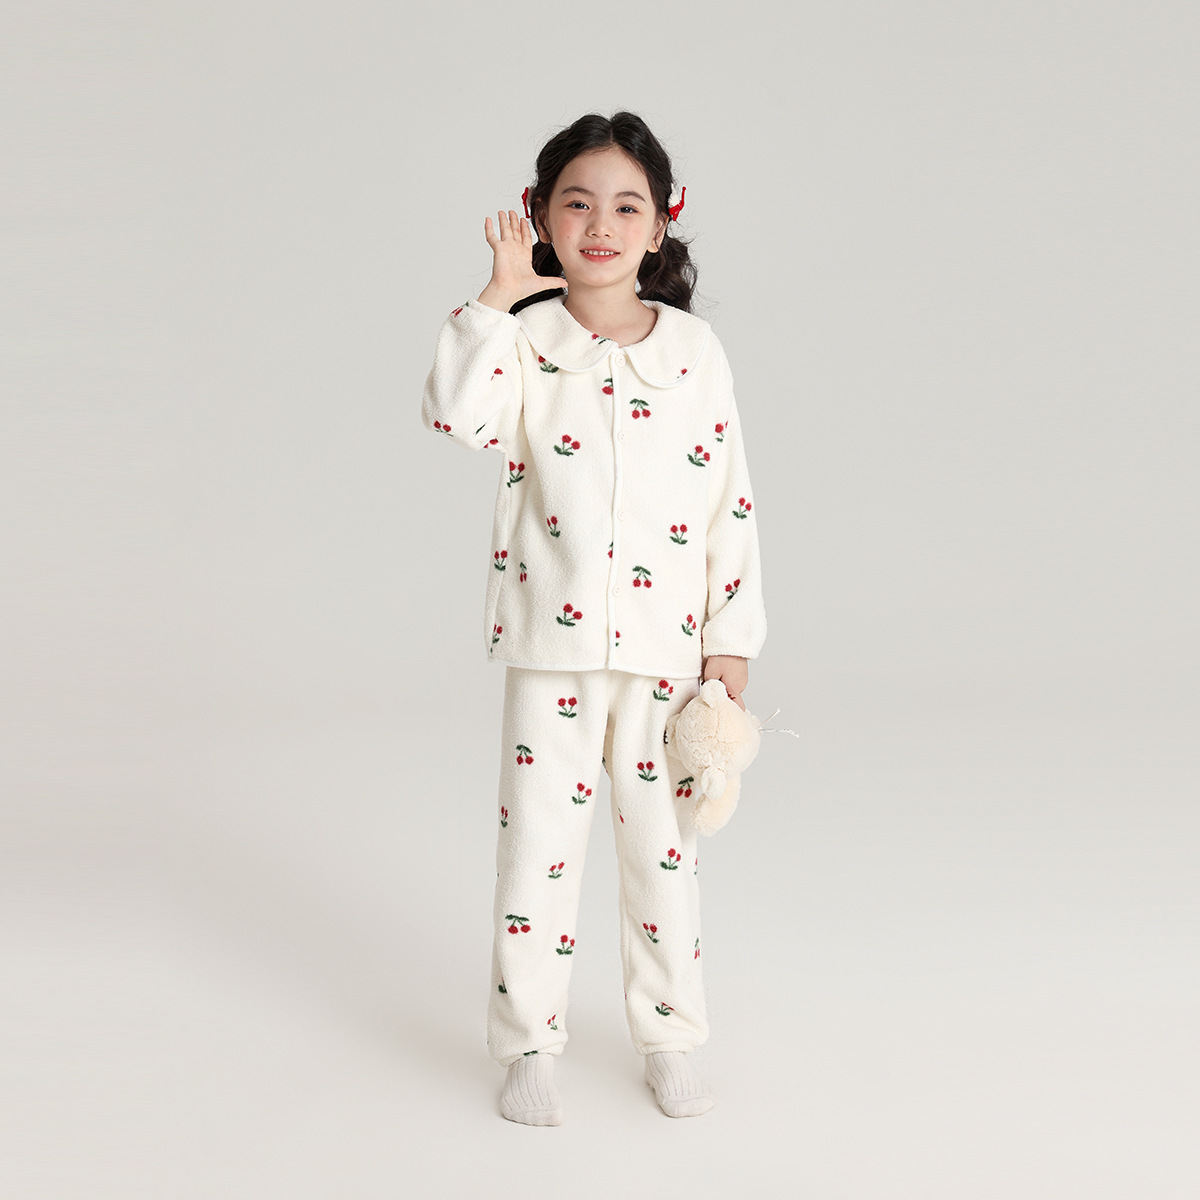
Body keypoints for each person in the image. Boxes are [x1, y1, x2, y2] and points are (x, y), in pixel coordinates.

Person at [420, 111, 767, 1125]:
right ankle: (528, 1045)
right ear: (541, 218)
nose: (602, 225)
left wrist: (731, 642)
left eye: (626, 206)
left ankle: (672, 1035)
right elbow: (454, 416)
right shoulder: (524, 339)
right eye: (578, 204)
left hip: (666, 653)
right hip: (551, 645)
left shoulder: (695, 350)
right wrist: (497, 294)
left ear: (660, 226)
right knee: (537, 852)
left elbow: (730, 500)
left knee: (665, 854)